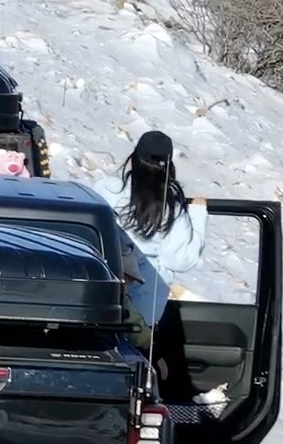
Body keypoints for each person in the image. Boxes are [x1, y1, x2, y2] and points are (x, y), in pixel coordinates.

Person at [88, 131, 208, 354]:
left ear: (134, 158)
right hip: (143, 313)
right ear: (169, 167)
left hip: (100, 299)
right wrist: (198, 215)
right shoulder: (170, 206)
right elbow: (181, 259)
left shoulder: (107, 189)